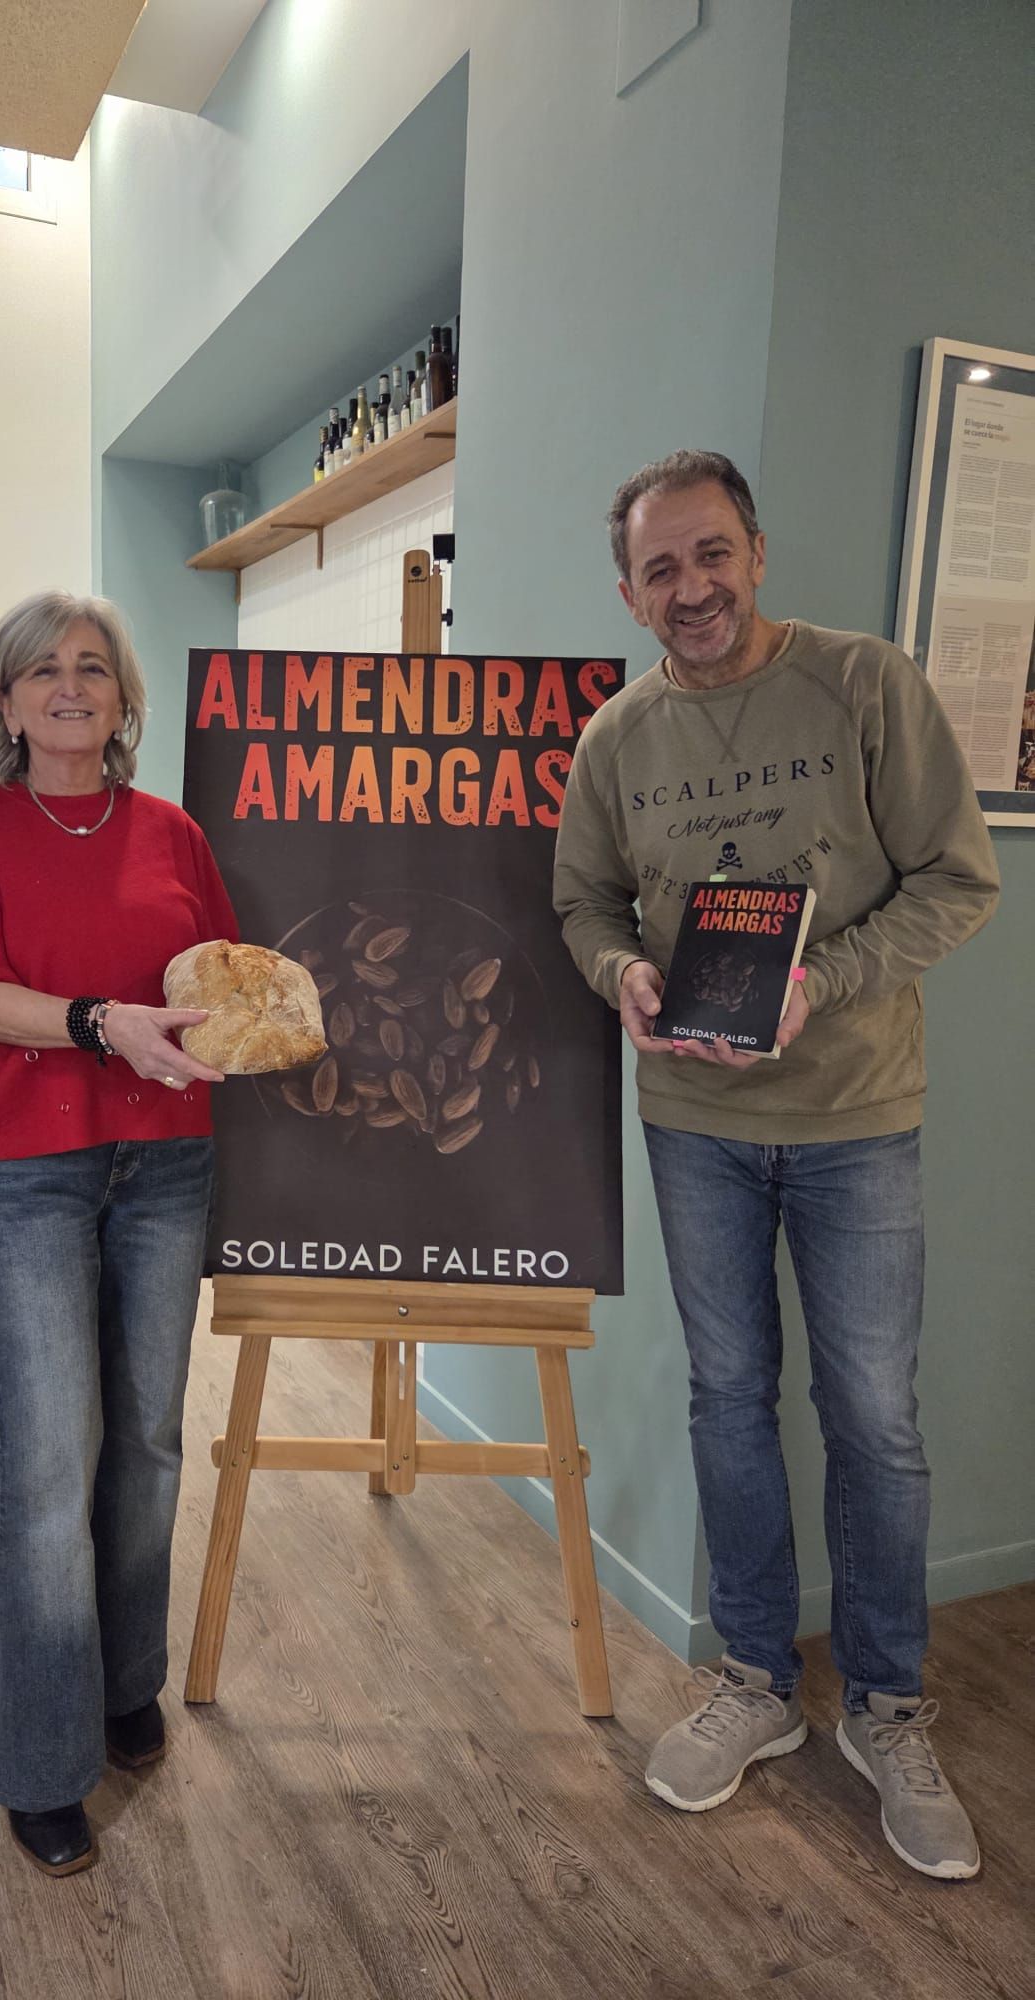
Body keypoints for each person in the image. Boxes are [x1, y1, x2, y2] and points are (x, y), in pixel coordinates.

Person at [553, 450, 999, 1881]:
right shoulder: (618, 740)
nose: (692, 588)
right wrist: (621, 968)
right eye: (662, 570)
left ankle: (885, 1707)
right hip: (694, 1123)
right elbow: (582, 899)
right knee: (729, 1398)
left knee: (874, 1417)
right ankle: (756, 1681)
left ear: (757, 549)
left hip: (858, 1114)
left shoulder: (865, 686)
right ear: (630, 592)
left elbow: (957, 879)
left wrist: (832, 979)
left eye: (712, 554)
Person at [0, 589, 237, 1878]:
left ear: (122, 696)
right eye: (41, 671)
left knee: (150, 1441)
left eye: (92, 668)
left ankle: (122, 1683)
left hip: (168, 1163)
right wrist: (108, 1023)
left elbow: (218, 977)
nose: (69, 687)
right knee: (52, 1457)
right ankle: (44, 1760)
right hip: (28, 1166)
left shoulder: (172, 829)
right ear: (3, 703)